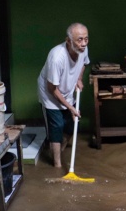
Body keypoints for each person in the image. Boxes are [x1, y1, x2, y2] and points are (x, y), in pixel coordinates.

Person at [38, 23, 90, 168]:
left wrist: (79, 78)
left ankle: (59, 150)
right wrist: (70, 108)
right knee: (57, 125)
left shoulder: (82, 49)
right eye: (79, 40)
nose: (84, 43)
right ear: (68, 40)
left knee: (73, 124)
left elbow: (84, 62)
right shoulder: (57, 57)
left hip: (66, 89)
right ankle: (57, 165)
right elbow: (52, 88)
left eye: (86, 39)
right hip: (50, 93)